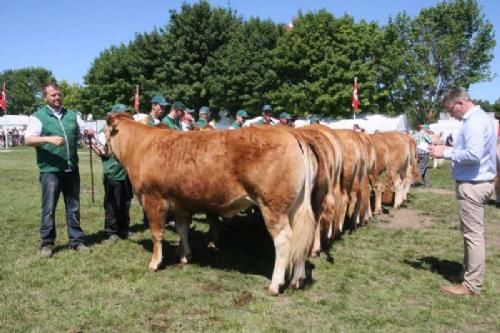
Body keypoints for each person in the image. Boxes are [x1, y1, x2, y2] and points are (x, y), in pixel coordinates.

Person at [430, 87, 496, 296]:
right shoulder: (481, 119)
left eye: (451, 110)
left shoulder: (475, 122)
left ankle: (471, 284)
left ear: (460, 103)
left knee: (473, 236)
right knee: (471, 234)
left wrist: (445, 152)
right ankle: (468, 274)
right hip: (477, 182)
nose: (452, 115)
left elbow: (474, 154)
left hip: (473, 184)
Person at [25, 82, 94, 257]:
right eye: (53, 95)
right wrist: (48, 139)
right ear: (45, 97)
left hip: (71, 169)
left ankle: (76, 241)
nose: (57, 98)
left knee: (74, 207)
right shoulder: (38, 117)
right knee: (48, 208)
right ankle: (47, 243)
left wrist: (88, 131)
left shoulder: (72, 115)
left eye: (59, 94)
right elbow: (28, 139)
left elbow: (85, 127)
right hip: (50, 171)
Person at [91, 104, 133, 242]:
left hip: (126, 173)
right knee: (112, 204)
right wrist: (93, 145)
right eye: (123, 115)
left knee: (125, 203)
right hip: (113, 172)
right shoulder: (106, 131)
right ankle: (111, 232)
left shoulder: (126, 132)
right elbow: (103, 152)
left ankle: (124, 229)